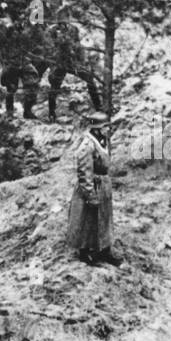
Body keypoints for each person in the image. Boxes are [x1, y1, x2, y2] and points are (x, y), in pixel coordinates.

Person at [66, 111, 123, 266]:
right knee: (88, 219)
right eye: (106, 127)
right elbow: (84, 172)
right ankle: (86, 252)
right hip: (92, 184)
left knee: (104, 218)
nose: (108, 130)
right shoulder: (87, 145)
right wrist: (89, 194)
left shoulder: (102, 141)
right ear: (97, 128)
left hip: (102, 185)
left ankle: (104, 249)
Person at [44, 9, 102, 120]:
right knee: (55, 87)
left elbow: (77, 46)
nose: (64, 23)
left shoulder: (73, 29)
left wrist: (81, 60)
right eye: (61, 20)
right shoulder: (51, 31)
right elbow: (49, 49)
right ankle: (51, 112)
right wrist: (53, 64)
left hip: (72, 62)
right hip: (59, 62)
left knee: (90, 79)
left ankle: (98, 107)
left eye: (66, 19)